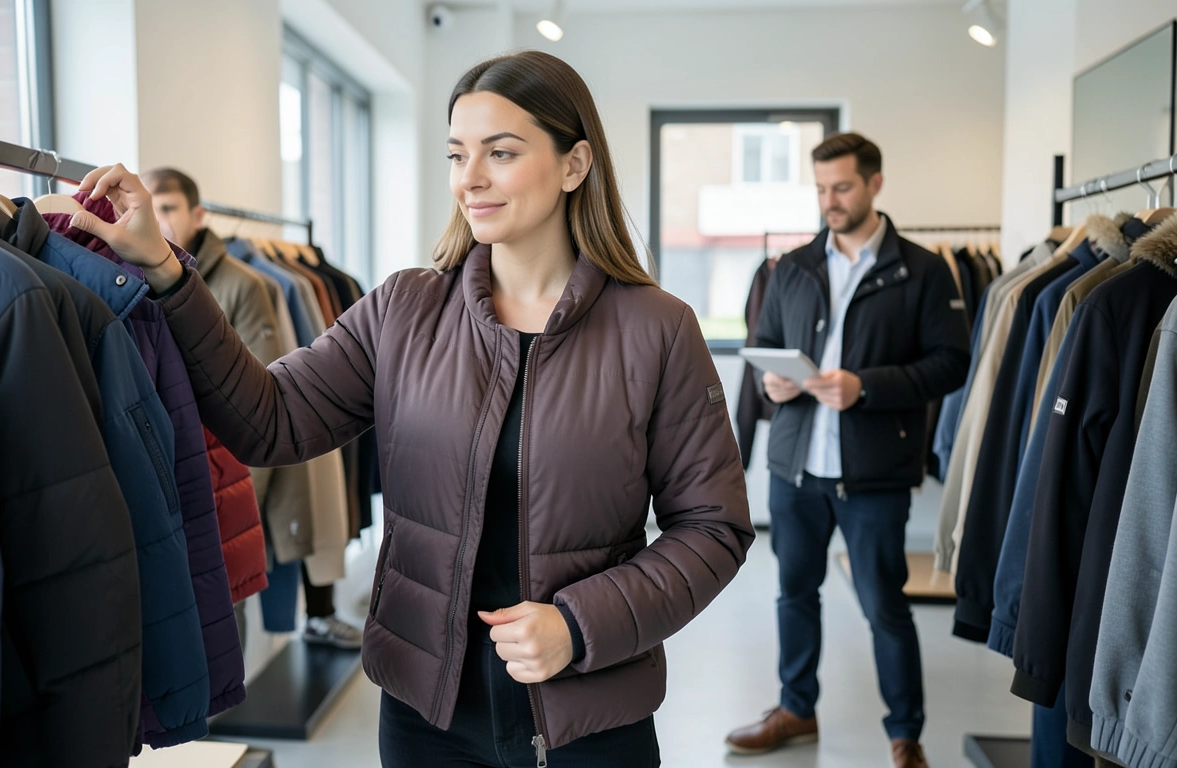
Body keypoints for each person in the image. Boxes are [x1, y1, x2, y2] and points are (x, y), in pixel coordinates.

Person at [71, 50, 754, 767]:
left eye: (502, 152)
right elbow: (269, 420)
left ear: (575, 165)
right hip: (428, 720)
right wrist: (168, 272)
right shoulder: (405, 309)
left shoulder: (657, 329)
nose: (471, 178)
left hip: (590, 717)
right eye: (459, 154)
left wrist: (578, 626)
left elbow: (713, 527)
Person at [725, 133, 970, 768]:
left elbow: (951, 364)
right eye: (820, 189)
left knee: (885, 606)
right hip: (797, 467)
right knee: (793, 593)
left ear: (875, 184)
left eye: (842, 187)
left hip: (874, 474)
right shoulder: (793, 266)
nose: (830, 202)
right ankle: (795, 709)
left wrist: (867, 387)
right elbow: (766, 344)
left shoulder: (922, 270)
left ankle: (905, 734)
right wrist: (771, 382)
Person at [142, 167, 364, 652]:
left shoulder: (249, 285)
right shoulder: (132, 278)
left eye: (169, 208)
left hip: (224, 477)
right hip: (174, 477)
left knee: (220, 614)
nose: (157, 220)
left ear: (198, 215)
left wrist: (247, 505)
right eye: (150, 207)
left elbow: (265, 410)